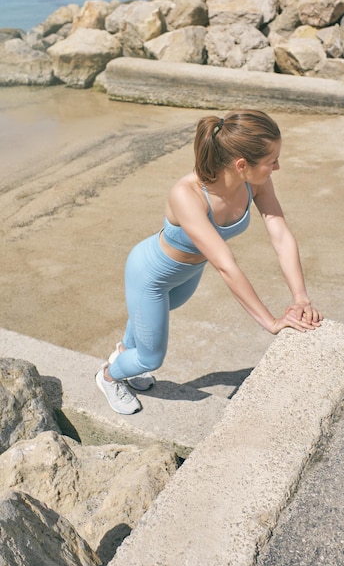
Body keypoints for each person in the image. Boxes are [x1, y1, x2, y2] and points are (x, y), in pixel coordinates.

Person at [96, 109, 322, 414]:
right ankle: (109, 376)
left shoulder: (253, 182)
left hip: (188, 274)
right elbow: (226, 264)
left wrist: (301, 297)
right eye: (272, 161)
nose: (277, 167)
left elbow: (279, 232)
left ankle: (124, 352)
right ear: (242, 165)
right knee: (151, 358)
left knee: (147, 325)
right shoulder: (186, 194)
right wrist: (270, 322)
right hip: (150, 276)